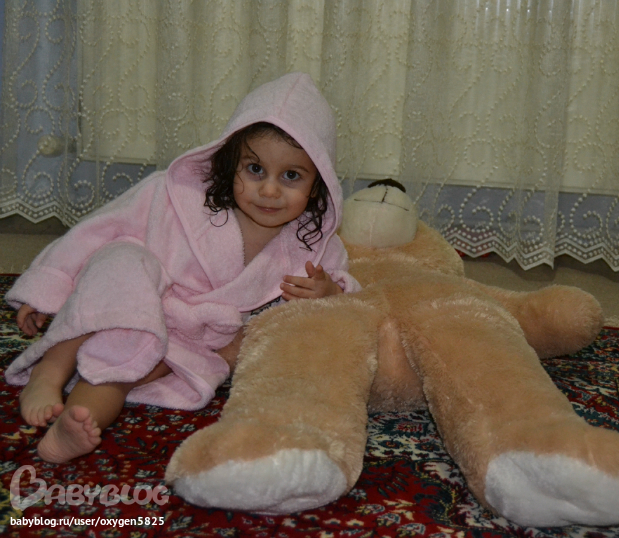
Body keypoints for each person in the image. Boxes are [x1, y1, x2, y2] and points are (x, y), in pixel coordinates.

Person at [5, 72, 360, 464]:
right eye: (255, 169)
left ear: (317, 185)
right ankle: (49, 372)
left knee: (120, 366)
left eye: (291, 176)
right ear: (231, 163)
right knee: (122, 259)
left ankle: (75, 424)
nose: (269, 190)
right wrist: (47, 288)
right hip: (133, 299)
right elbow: (96, 231)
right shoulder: (175, 194)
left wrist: (330, 293)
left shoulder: (315, 241)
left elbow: (348, 300)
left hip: (188, 342)